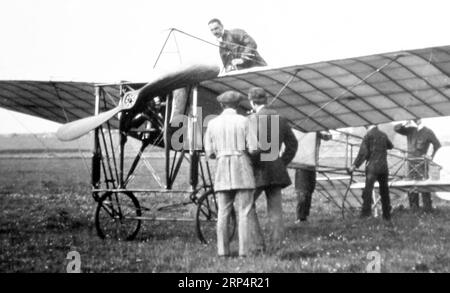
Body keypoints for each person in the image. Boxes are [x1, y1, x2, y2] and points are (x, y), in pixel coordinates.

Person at [204, 90, 259, 257]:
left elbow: (209, 152)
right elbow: (254, 148)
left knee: (223, 211)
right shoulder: (244, 121)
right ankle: (244, 251)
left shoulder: (212, 124)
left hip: (222, 168)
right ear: (238, 105)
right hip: (242, 166)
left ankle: (223, 251)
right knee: (245, 211)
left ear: (221, 105)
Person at [247, 87, 298, 253]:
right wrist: (282, 162)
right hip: (276, 169)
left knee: (246, 206)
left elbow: (250, 148)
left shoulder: (252, 120)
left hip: (258, 170)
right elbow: (292, 144)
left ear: (252, 102)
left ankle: (257, 246)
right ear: (266, 100)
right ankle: (277, 248)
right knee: (275, 211)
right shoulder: (280, 118)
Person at [394, 118, 441, 212]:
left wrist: (431, 156)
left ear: (421, 119)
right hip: (410, 162)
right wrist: (405, 122)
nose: (416, 120)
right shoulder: (410, 129)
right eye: (414, 118)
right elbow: (397, 128)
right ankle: (414, 208)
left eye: (417, 118)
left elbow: (437, 145)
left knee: (424, 185)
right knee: (411, 184)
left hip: (421, 163)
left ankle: (427, 209)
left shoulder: (428, 131)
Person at [349, 125, 394, 221]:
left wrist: (354, 166)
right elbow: (390, 146)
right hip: (383, 168)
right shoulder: (383, 135)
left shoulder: (368, 135)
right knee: (384, 191)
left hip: (372, 168)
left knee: (368, 190)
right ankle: (387, 215)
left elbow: (363, 153)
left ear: (367, 126)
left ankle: (366, 214)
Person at [293, 130, 332, 223]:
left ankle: (304, 216)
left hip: (311, 166)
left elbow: (327, 137)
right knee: (303, 192)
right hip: (301, 166)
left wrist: (326, 132)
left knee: (309, 191)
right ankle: (300, 217)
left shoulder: (316, 131)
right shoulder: (300, 132)